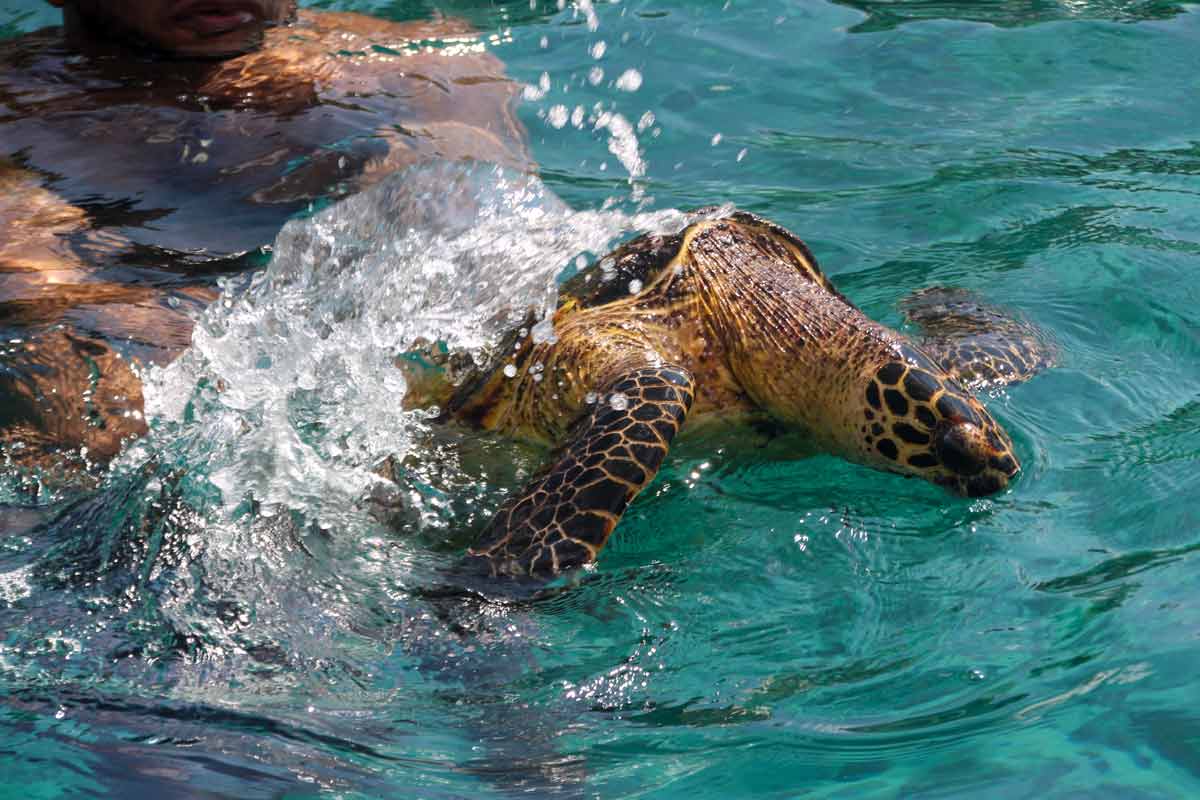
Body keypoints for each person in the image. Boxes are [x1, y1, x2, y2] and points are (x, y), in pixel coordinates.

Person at [0, 0, 530, 483]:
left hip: (305, 332)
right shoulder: (20, 106)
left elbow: (488, 241)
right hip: (127, 330)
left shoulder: (411, 69)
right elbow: (26, 269)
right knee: (96, 404)